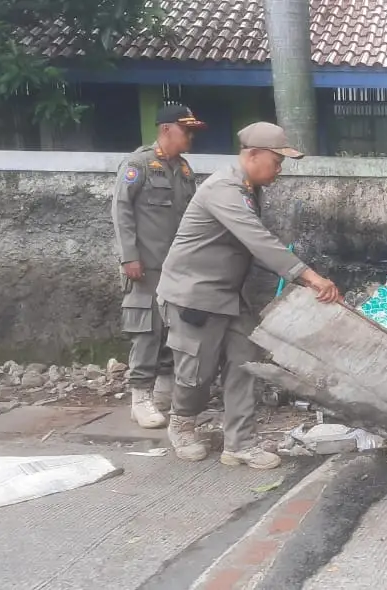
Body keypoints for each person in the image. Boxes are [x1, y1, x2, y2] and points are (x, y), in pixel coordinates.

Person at [157, 122, 342, 469]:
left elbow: (254, 247)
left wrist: (299, 279)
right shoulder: (223, 188)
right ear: (253, 155)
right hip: (192, 294)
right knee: (196, 372)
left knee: (246, 361)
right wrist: (311, 277)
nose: (279, 169)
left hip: (227, 295)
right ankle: (182, 422)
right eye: (277, 160)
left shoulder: (247, 187)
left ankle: (239, 443)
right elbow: (258, 240)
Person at [111, 104, 206, 429]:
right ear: (166, 129)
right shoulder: (138, 165)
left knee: (173, 330)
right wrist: (129, 256)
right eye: (186, 130)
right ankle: (140, 397)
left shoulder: (184, 171)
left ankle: (164, 392)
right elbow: (121, 209)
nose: (190, 137)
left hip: (177, 268)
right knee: (147, 330)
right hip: (146, 265)